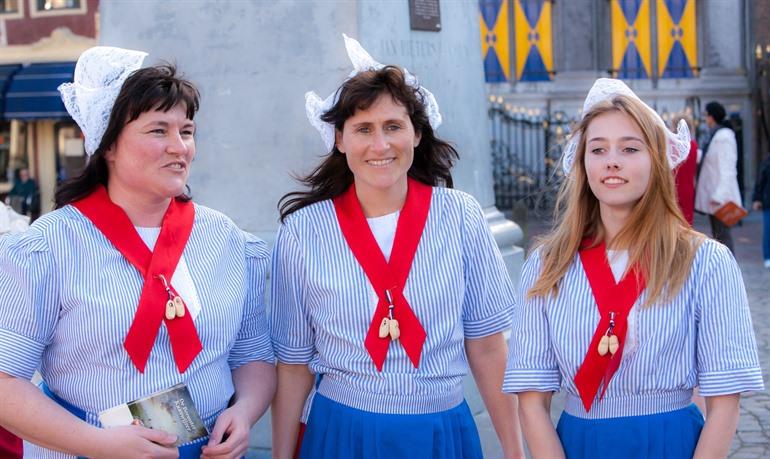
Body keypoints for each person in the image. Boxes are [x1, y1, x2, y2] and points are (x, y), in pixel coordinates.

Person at [0, 46, 275, 459]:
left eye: (186, 131)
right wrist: (97, 443)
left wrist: (246, 414)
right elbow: (6, 381)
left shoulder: (227, 240)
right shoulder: (49, 247)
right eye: (158, 131)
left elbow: (252, 354)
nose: (179, 147)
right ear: (108, 145)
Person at [270, 35, 523, 459]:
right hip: (342, 432)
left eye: (393, 127)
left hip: (441, 430)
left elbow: (488, 346)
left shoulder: (460, 216)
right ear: (339, 140)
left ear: (418, 133)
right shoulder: (303, 231)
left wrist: (515, 452)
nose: (380, 145)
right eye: (363, 129)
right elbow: (294, 365)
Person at [503, 79, 763, 458]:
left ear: (656, 161)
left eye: (629, 148)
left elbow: (725, 403)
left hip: (671, 442)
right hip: (581, 445)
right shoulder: (547, 266)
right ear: (583, 164)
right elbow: (531, 402)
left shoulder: (706, 263)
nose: (612, 160)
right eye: (598, 149)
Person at [695, 101, 743, 253]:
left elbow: (728, 169)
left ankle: (729, 274)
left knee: (724, 240)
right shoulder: (716, 135)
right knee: (719, 238)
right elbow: (708, 159)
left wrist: (720, 196)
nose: (705, 119)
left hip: (720, 199)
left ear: (712, 116)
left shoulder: (723, 137)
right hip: (714, 197)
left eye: (706, 115)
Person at [671, 115, 697, 226]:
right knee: (687, 223)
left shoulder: (671, 146)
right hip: (689, 188)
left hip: (673, 187)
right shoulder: (694, 145)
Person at [752, 154, 770, 268]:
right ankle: (768, 257)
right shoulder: (768, 161)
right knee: (768, 230)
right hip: (769, 202)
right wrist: (757, 198)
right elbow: (761, 180)